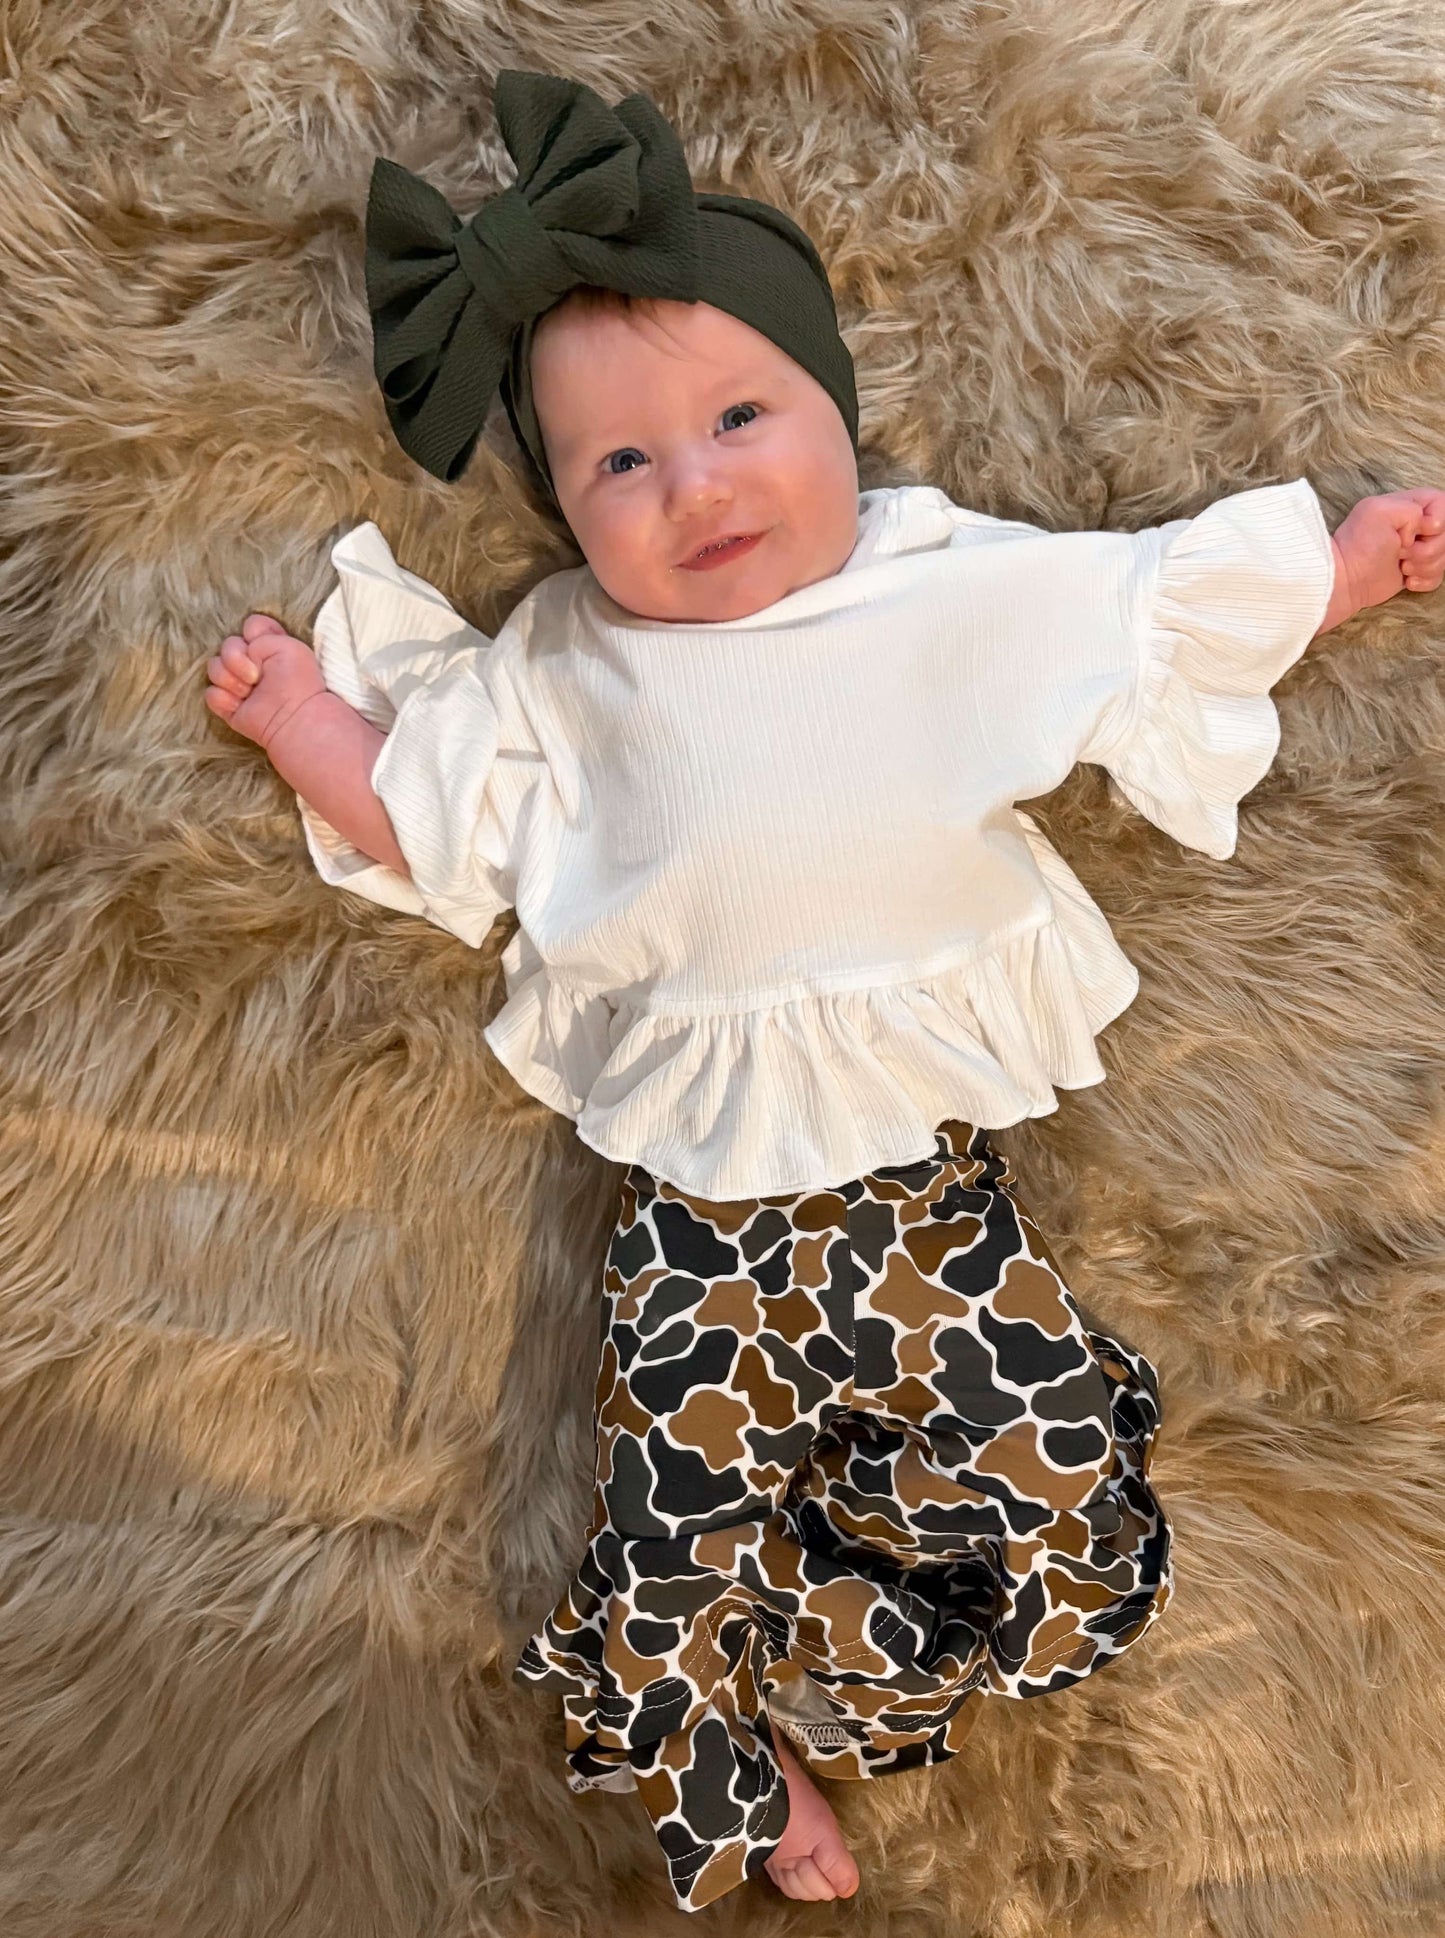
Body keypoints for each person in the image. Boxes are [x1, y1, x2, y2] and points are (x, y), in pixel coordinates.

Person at [201, 70, 1445, 1913]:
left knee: (1081, 1545)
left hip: (922, 1209)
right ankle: (716, 1742)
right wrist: (312, 722)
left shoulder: (931, 587)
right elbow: (442, 823)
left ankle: (807, 1677)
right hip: (695, 1232)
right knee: (659, 1543)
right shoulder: (568, 663)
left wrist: (1327, 579)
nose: (693, 485)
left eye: (737, 417)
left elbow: (1123, 617)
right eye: (619, 465)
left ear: (831, 413)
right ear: (565, 507)